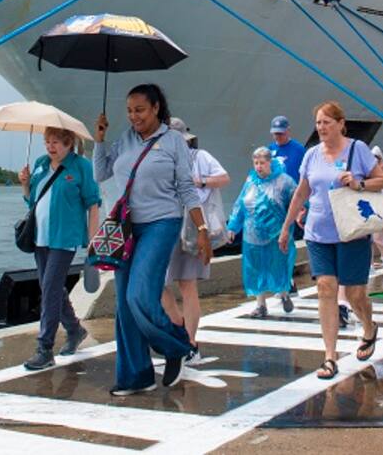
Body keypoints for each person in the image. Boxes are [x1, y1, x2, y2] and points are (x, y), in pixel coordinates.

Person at [94, 84, 212, 395]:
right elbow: (101, 173)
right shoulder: (125, 139)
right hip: (127, 227)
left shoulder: (174, 142)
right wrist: (100, 139)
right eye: (130, 110)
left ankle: (177, 345)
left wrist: (202, 230)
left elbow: (187, 188)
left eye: (140, 110)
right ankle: (136, 376)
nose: (134, 116)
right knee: (124, 303)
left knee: (140, 296)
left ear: (156, 107)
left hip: (162, 223)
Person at [279, 100, 383, 380]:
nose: (322, 127)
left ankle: (368, 327)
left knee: (354, 294)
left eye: (327, 122)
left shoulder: (358, 150)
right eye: (318, 123)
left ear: (341, 124)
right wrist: (286, 226)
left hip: (351, 231)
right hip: (318, 232)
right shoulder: (312, 155)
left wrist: (358, 183)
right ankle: (330, 357)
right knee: (326, 287)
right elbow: (301, 192)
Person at [18, 127, 101, 370]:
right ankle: (75, 330)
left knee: (50, 289)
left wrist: (92, 240)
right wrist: (24, 184)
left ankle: (45, 348)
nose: (50, 147)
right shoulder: (42, 163)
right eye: (47, 142)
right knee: (50, 286)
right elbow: (32, 200)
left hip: (65, 237)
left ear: (68, 144)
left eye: (55, 142)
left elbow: (93, 203)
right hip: (40, 236)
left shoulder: (81, 166)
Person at [161, 117, 229, 358]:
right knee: (158, 283)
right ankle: (179, 328)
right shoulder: (162, 159)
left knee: (187, 284)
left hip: (192, 224)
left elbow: (223, 177)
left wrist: (199, 181)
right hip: (166, 224)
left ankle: (191, 342)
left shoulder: (200, 157)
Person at [227, 147, 297, 316]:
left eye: (262, 163)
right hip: (252, 235)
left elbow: (297, 201)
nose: (259, 166)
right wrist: (232, 226)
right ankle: (260, 304)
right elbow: (240, 205)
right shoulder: (250, 182)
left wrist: (300, 216)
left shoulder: (284, 181)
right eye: (256, 163)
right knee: (254, 268)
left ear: (270, 163)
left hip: (276, 234)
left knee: (278, 265)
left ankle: (284, 293)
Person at [268, 115, 305, 182]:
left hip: (294, 189)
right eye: (276, 133)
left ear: (288, 130)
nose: (278, 136)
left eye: (281, 133)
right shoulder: (270, 149)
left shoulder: (299, 149)